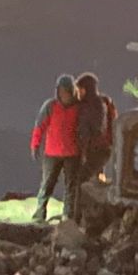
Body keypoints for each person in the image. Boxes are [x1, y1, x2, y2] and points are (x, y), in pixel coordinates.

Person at [28, 74, 80, 223]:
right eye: (62, 91)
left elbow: (82, 130)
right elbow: (40, 126)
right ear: (58, 91)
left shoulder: (78, 109)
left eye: (67, 91)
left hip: (72, 153)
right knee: (47, 183)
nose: (65, 95)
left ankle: (67, 216)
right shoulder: (51, 106)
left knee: (70, 186)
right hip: (52, 152)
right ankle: (40, 211)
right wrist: (35, 144)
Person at [70, 72, 117, 222]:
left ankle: (77, 218)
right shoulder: (95, 103)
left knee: (82, 180)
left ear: (86, 88)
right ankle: (90, 217)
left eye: (80, 89)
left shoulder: (95, 105)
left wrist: (83, 133)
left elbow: (97, 128)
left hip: (98, 151)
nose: (78, 92)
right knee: (92, 182)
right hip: (100, 150)